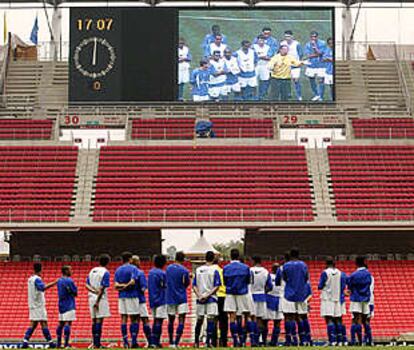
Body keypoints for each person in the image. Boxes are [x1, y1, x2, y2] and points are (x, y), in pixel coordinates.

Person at [223, 248, 256, 347]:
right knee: (247, 316)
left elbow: (225, 282)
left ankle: (235, 340)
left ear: (230, 256)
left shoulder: (226, 268)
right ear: (238, 256)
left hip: (230, 293)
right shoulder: (245, 267)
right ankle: (250, 340)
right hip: (243, 292)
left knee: (232, 317)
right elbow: (248, 281)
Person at [22, 263, 57, 349]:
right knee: (43, 323)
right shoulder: (37, 279)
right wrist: (54, 283)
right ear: (41, 269)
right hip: (38, 305)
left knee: (33, 324)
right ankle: (51, 343)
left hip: (32, 304)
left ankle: (25, 341)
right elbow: (42, 288)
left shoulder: (30, 279)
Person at [281, 248, 310, 346]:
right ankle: (303, 340)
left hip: (289, 294)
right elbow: (306, 278)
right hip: (301, 294)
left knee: (289, 317)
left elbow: (284, 278)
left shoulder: (286, 265)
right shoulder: (303, 265)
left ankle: (290, 340)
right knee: (300, 316)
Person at [193, 251, 221, 348]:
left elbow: (194, 285)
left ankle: (196, 342)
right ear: (213, 259)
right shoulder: (215, 270)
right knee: (210, 320)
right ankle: (207, 342)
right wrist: (207, 295)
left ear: (205, 258)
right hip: (211, 299)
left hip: (200, 299)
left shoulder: (198, 270)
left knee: (199, 320)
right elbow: (217, 286)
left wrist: (199, 295)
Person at [318, 257, 348, 346]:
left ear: (326, 264)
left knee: (329, 319)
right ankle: (342, 341)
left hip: (327, 298)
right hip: (338, 299)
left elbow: (320, 286)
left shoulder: (325, 272)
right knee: (339, 319)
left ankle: (332, 340)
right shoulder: (341, 273)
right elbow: (344, 286)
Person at [114, 252, 139, 348]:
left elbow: (116, 285)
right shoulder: (134, 268)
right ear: (130, 259)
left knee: (123, 318)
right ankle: (133, 341)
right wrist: (126, 286)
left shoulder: (118, 270)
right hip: (132, 295)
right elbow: (133, 282)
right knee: (134, 319)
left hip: (122, 296)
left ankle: (125, 342)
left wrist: (122, 287)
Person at [86, 254, 111, 349]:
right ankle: (97, 344)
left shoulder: (92, 270)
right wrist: (97, 300)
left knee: (94, 320)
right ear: (107, 262)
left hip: (90, 297)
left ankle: (94, 343)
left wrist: (93, 291)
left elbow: (86, 285)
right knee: (99, 320)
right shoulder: (105, 272)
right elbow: (102, 288)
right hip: (100, 298)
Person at [166, 251, 190, 348]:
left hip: (170, 297)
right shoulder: (185, 271)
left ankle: (171, 341)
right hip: (181, 297)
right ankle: (176, 342)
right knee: (181, 320)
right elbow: (187, 283)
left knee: (171, 320)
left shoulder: (168, 268)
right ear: (183, 259)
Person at [347, 256, 373, 346]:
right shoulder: (368, 274)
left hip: (356, 298)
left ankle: (355, 341)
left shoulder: (354, 275)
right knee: (365, 320)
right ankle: (369, 341)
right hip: (365, 299)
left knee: (355, 319)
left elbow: (349, 286)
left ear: (356, 263)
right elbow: (369, 284)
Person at [250, 256, 272, 346]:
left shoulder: (249, 270)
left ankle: (253, 340)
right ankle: (259, 339)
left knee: (251, 318)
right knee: (260, 319)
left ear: (254, 261)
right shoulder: (265, 272)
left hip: (251, 296)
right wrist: (264, 291)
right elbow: (270, 286)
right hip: (262, 296)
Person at [131, 255, 152, 347]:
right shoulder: (140, 273)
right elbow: (143, 288)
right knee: (145, 320)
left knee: (134, 321)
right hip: (140, 299)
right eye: (138, 260)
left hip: (130, 299)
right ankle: (150, 342)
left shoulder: (128, 272)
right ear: (136, 262)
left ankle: (134, 342)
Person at [148, 254, 167, 348]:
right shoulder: (162, 273)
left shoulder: (150, 272)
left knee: (155, 320)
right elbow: (165, 285)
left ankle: (153, 342)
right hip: (161, 298)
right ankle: (155, 342)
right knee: (159, 321)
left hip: (152, 299)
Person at [56, 265, 78, 348]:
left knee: (60, 324)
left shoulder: (59, 281)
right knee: (68, 323)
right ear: (66, 271)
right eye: (70, 270)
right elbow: (75, 292)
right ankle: (66, 344)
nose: (72, 271)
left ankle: (58, 344)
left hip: (61, 304)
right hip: (69, 304)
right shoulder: (69, 280)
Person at [280, 30, 304, 101]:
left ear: (292, 37)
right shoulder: (282, 43)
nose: (287, 38)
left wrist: (298, 63)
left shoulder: (297, 44)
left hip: (295, 66)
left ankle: (299, 95)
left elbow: (300, 54)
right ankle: (288, 94)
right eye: (286, 37)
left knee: (296, 81)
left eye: (289, 37)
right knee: (286, 80)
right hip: (286, 65)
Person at [304, 31, 327, 101]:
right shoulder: (307, 45)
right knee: (311, 80)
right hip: (311, 65)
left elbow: (320, 53)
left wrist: (315, 47)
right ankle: (316, 94)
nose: (313, 38)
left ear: (317, 37)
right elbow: (308, 55)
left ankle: (321, 96)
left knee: (321, 80)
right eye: (312, 37)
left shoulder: (322, 43)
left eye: (315, 37)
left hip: (321, 65)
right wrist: (316, 54)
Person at [265, 263, 283, 347]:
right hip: (279, 299)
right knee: (277, 322)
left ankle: (263, 340)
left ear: (271, 269)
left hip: (269, 299)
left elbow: (267, 287)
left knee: (265, 321)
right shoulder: (282, 278)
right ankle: (274, 342)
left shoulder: (268, 276)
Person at [212, 255, 228, 347]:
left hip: (213, 296)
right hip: (222, 296)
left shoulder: (209, 271)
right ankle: (223, 341)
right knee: (223, 321)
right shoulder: (221, 271)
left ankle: (213, 341)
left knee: (213, 320)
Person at [253, 35, 274, 100]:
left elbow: (269, 57)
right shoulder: (253, 47)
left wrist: (259, 57)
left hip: (264, 66)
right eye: (260, 40)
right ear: (257, 40)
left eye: (262, 40)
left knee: (264, 81)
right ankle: (254, 96)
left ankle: (261, 96)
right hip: (255, 66)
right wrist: (263, 57)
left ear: (265, 41)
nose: (261, 42)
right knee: (253, 81)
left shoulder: (268, 47)